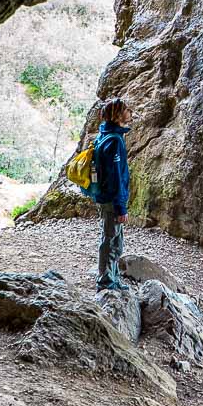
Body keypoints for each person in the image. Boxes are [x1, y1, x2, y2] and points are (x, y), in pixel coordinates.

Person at [92, 97, 132, 291]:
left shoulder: (105, 135)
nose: (130, 112)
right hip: (111, 199)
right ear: (117, 115)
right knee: (111, 240)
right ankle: (106, 282)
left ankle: (112, 278)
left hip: (106, 197)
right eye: (126, 109)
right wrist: (121, 206)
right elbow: (116, 176)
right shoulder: (114, 140)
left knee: (114, 239)